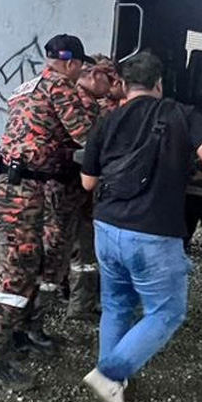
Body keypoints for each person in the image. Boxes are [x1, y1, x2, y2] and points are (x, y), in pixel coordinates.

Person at [79, 51, 202, 402]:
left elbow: (88, 182)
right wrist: (192, 173)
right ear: (159, 83)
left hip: (106, 227)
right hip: (152, 233)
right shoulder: (180, 113)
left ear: (123, 86)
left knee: (116, 305)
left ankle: (115, 379)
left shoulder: (107, 120)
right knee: (166, 311)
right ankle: (110, 374)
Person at [0, 34, 105, 390]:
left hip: (15, 184)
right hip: (18, 188)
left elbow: (45, 135)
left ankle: (19, 333)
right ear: (73, 64)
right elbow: (86, 135)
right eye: (81, 67)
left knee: (30, 265)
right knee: (17, 271)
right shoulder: (60, 86)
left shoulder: (25, 87)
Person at [65, 55, 126, 321]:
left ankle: (76, 297)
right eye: (112, 79)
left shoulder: (86, 103)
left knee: (79, 249)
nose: (116, 85)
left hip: (81, 189)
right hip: (83, 191)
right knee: (85, 251)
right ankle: (80, 305)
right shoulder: (99, 109)